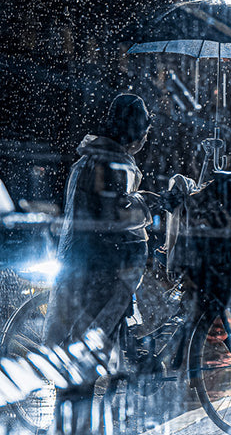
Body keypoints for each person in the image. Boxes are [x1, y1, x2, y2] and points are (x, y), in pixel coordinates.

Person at [44, 92, 154, 363]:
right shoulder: (110, 163)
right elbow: (117, 214)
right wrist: (152, 204)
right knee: (89, 352)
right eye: (145, 132)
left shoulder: (90, 159)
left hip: (82, 265)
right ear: (135, 132)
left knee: (82, 347)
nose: (146, 139)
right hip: (102, 270)